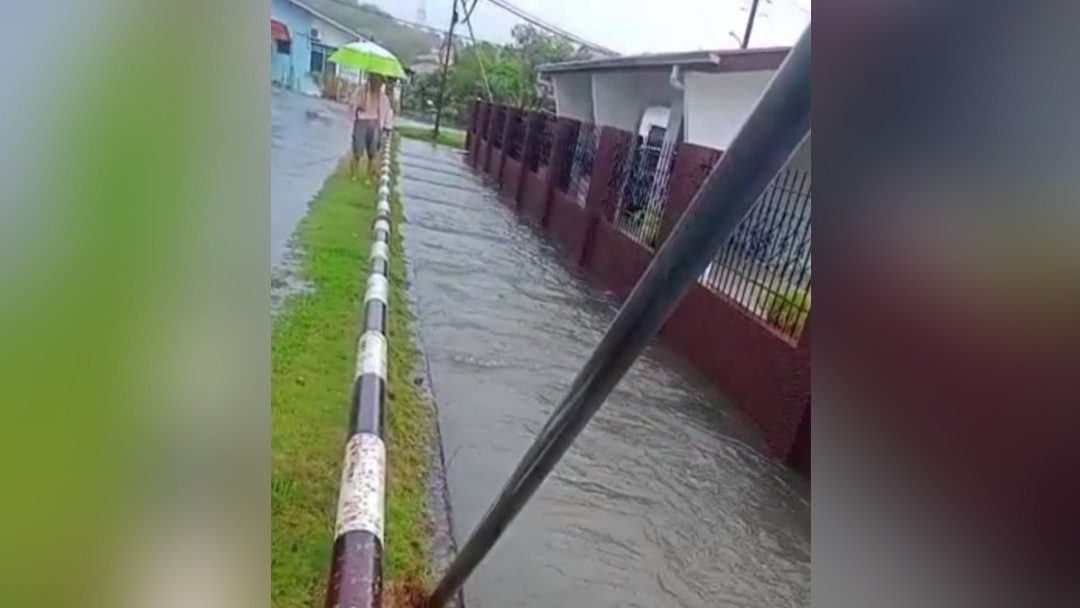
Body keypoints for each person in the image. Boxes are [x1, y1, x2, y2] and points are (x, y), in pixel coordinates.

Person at [349, 75, 384, 183]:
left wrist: (382, 127)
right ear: (370, 80)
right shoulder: (362, 91)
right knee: (358, 149)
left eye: (378, 81)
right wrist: (360, 104)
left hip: (374, 122)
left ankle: (368, 176)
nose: (376, 83)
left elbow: (383, 112)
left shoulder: (382, 97)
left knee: (372, 152)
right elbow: (353, 103)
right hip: (361, 121)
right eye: (374, 80)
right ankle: (354, 174)